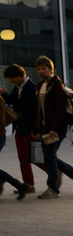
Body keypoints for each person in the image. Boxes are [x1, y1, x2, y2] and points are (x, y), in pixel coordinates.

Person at [32, 56, 73, 199]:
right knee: (49, 156)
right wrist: (36, 129)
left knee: (49, 156)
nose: (41, 71)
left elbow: (60, 109)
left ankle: (53, 188)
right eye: (39, 69)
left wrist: (54, 128)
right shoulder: (39, 86)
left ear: (51, 69)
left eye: (44, 68)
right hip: (44, 128)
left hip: (56, 128)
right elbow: (38, 110)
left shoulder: (57, 85)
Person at [5, 64, 40, 195]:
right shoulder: (18, 88)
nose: (10, 81)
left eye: (11, 78)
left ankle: (53, 174)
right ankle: (28, 184)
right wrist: (4, 94)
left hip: (29, 128)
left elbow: (37, 111)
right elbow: (13, 101)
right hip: (19, 127)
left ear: (20, 76)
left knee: (33, 156)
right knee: (23, 158)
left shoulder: (32, 88)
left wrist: (36, 129)